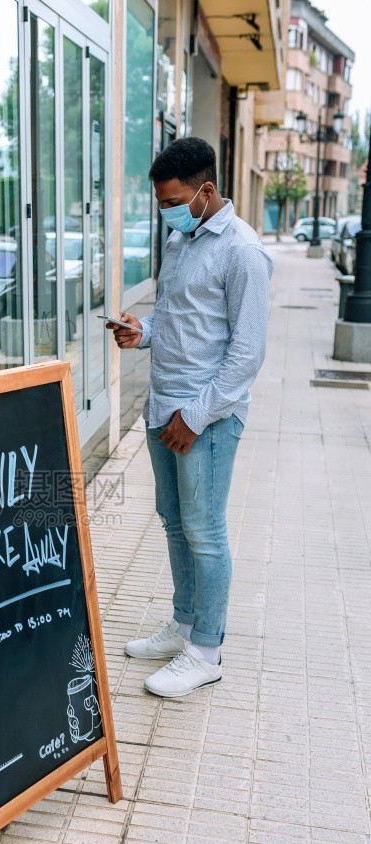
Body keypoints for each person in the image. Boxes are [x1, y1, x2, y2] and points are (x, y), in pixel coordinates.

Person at [108, 137, 272, 699]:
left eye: (173, 200)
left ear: (206, 190)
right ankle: (183, 626)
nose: (165, 212)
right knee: (174, 522)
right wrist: (142, 333)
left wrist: (196, 418)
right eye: (159, 203)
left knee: (204, 531)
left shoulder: (243, 252)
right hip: (162, 407)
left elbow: (246, 354)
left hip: (205, 417)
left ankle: (206, 650)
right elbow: (180, 320)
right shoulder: (181, 238)